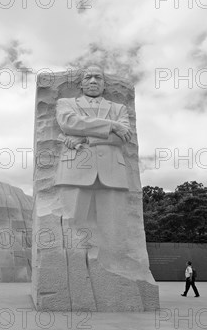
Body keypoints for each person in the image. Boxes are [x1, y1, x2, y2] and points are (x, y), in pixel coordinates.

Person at [55, 66, 142, 275]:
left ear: (104, 84)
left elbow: (123, 137)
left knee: (114, 229)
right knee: (70, 225)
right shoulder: (65, 104)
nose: (93, 80)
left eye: (98, 77)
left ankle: (116, 271)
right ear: (81, 83)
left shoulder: (119, 108)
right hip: (75, 169)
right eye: (88, 77)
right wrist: (111, 126)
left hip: (112, 172)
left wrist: (84, 137)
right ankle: (71, 272)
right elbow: (68, 123)